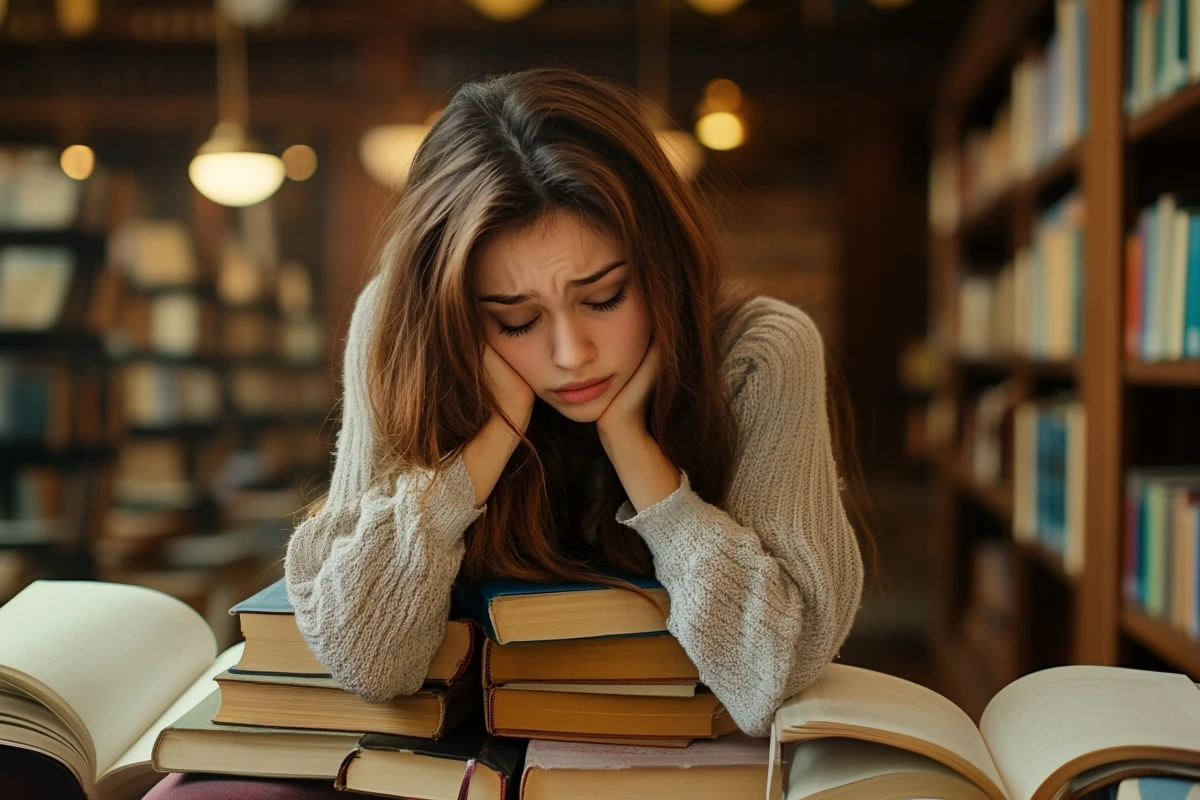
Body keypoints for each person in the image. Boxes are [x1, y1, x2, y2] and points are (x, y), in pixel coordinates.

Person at [147, 63, 865, 800]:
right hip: (445, 770)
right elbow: (369, 656)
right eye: (515, 320)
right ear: (459, 313)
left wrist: (640, 458)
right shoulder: (399, 336)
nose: (570, 354)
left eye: (605, 297)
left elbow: (772, 671)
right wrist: (484, 446)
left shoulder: (761, 352)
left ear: (664, 268)